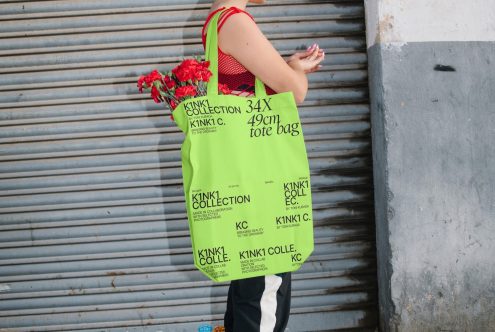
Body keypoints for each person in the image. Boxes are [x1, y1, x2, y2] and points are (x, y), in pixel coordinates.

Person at [202, 1, 324, 331]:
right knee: (263, 294)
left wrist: (286, 66)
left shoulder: (215, 23)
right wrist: (295, 73)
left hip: (241, 179)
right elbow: (295, 92)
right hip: (258, 186)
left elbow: (248, 85)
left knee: (248, 290)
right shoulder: (236, 21)